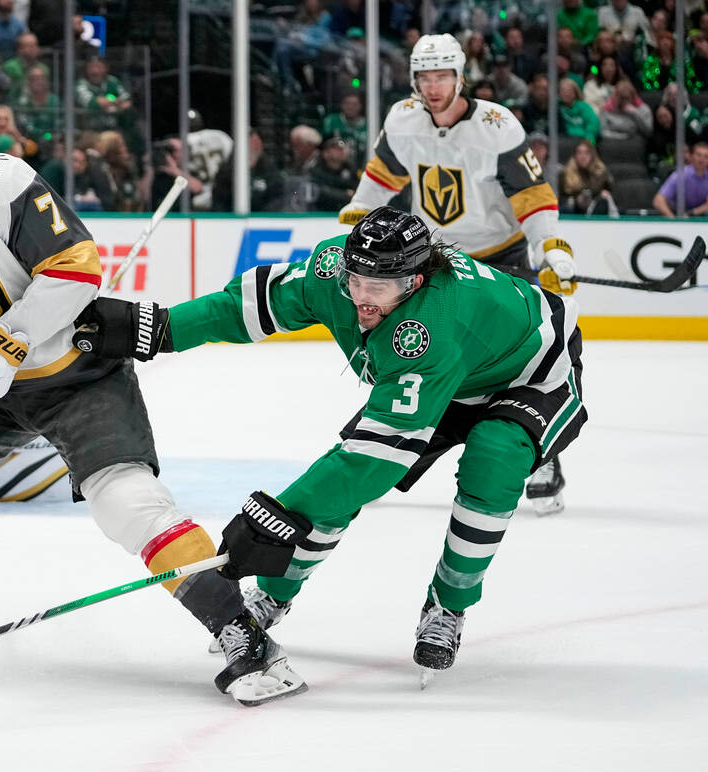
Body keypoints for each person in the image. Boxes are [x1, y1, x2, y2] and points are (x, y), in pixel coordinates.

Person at [0, 85, 305, 704]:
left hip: (75, 373)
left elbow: (76, 266)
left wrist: (9, 339)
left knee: (128, 504)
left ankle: (244, 636)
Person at [75, 206, 588, 678]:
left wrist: (277, 511)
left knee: (492, 463)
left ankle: (448, 604)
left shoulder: (432, 324)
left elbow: (374, 461)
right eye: (356, 280)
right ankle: (275, 594)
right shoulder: (332, 272)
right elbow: (247, 307)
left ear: (415, 281)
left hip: (526, 375)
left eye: (378, 288)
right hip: (448, 366)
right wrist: (162, 329)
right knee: (330, 491)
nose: (362, 296)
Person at [338, 34, 577, 514]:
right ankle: (388, 440)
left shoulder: (496, 124)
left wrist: (548, 246)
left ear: (460, 75)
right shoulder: (403, 119)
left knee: (520, 361)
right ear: (414, 79)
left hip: (499, 256)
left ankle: (537, 449)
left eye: (442, 75)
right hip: (437, 258)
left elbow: (530, 194)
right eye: (424, 76)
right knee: (421, 347)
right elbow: (384, 172)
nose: (433, 85)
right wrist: (363, 207)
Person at [652, 140, 708, 217]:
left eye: (706, 156)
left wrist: (692, 213)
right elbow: (658, 201)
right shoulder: (680, 175)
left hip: (701, 220)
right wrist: (674, 220)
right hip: (677, 216)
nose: (701, 159)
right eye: (698, 155)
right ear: (692, 156)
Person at [560, 139, 616, 215]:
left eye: (587, 153)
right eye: (579, 153)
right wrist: (577, 199)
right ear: (574, 156)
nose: (583, 156)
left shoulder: (602, 173)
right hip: (573, 213)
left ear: (592, 155)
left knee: (604, 200)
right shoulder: (565, 175)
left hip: (597, 211)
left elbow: (610, 194)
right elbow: (562, 198)